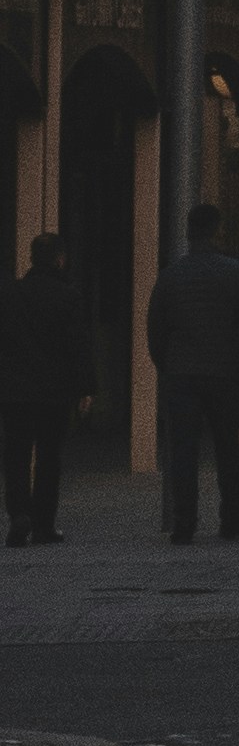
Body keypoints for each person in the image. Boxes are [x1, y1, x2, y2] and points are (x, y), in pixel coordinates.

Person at [148, 197, 239, 546]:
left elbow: (155, 327)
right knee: (227, 446)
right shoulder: (235, 273)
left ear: (189, 232)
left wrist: (165, 364)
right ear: (217, 230)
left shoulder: (170, 277)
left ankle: (184, 522)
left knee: (183, 449)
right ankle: (232, 516)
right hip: (223, 373)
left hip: (182, 374)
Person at [2, 232, 95, 547]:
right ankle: (43, 525)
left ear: (31, 258)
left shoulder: (12, 294)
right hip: (53, 392)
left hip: (15, 392)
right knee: (48, 458)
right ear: (60, 258)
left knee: (15, 455)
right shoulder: (68, 296)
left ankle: (18, 514)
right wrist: (86, 388)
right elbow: (79, 345)